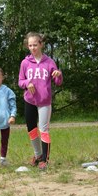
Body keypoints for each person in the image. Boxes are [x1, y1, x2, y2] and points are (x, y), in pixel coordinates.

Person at [18, 32, 63, 171]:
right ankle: (38, 155)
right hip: (29, 100)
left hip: (44, 102)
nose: (33, 48)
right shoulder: (25, 63)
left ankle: (45, 160)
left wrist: (58, 75)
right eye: (30, 45)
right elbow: (20, 81)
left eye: (35, 45)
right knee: (31, 130)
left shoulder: (49, 62)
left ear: (41, 44)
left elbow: (58, 82)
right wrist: (27, 83)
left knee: (43, 130)